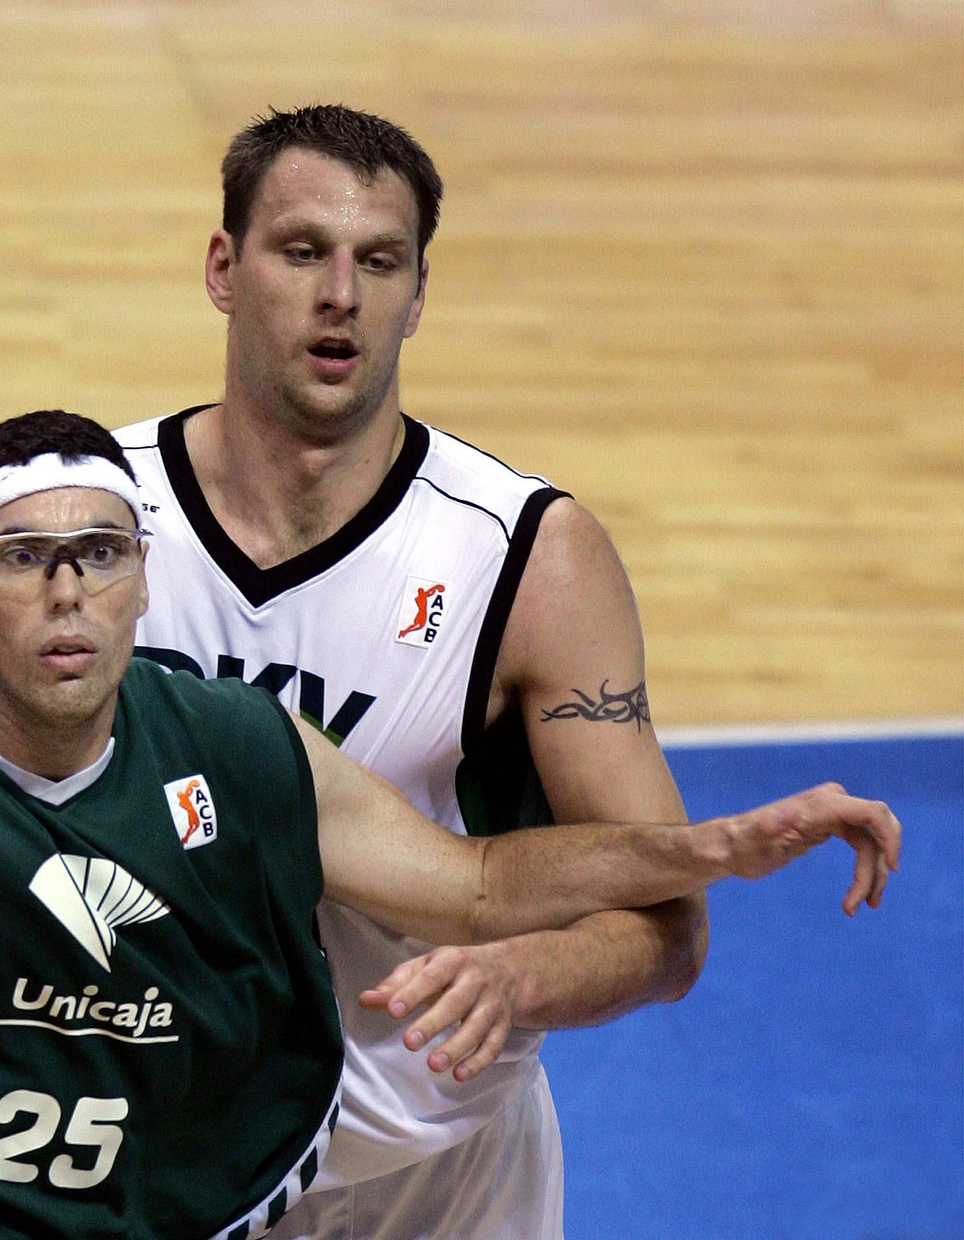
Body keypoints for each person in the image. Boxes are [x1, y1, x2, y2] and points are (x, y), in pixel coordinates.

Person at [0, 395, 897, 1239]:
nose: (68, 592)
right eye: (26, 560)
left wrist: (709, 847)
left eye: (102, 555)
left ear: (147, 582)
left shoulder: (244, 757)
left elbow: (479, 887)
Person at [114, 104, 894, 1239]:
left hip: (429, 1183)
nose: (341, 294)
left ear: (419, 294)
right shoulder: (95, 513)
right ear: (223, 268)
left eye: (380, 261)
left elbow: (668, 931)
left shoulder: (529, 559)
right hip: (154, 1160)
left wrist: (523, 976)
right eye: (302, 252)